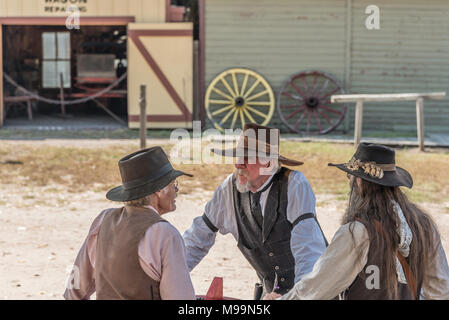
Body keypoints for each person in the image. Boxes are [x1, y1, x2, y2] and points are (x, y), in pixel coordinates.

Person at [264, 143, 449, 300]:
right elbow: (441, 291)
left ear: (359, 183)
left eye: (350, 177)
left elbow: (316, 289)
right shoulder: (424, 225)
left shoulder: (357, 232)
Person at [183, 123, 328, 299]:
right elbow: (197, 238)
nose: (238, 164)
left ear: (268, 161)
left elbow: (308, 250)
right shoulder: (228, 189)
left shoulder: (295, 184)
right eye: (237, 157)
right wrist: (171, 275)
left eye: (247, 158)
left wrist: (296, 296)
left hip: (312, 294)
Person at [63, 147, 196, 300]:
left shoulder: (103, 220)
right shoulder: (165, 233)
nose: (176, 190)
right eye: (173, 184)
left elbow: (74, 288)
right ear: (160, 190)